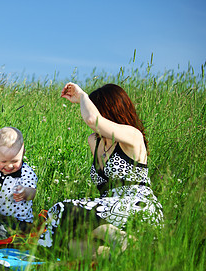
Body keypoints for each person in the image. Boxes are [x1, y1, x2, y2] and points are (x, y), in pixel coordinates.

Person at [37, 82, 163, 258]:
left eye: (98, 110)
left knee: (62, 209)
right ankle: (129, 256)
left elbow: (92, 120)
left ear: (111, 111)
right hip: (108, 210)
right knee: (66, 241)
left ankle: (130, 244)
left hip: (137, 207)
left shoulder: (133, 136)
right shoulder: (94, 141)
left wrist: (81, 96)